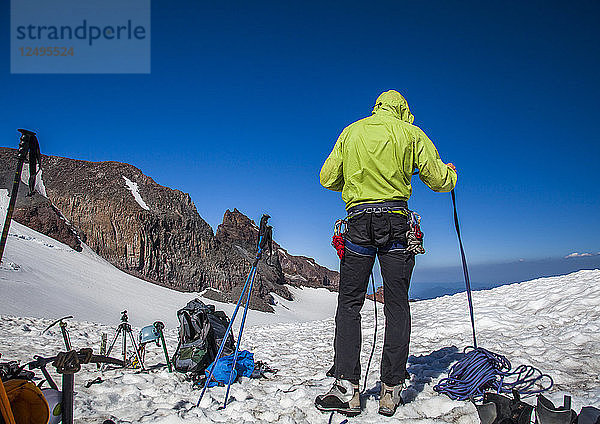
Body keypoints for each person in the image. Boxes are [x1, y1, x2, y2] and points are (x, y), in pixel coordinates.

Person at [315, 90, 457, 417]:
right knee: (397, 304)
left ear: (376, 107)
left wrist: (356, 178)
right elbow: (437, 179)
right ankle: (391, 391)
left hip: (358, 222)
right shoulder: (411, 133)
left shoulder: (351, 132)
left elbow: (327, 178)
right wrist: (450, 174)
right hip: (397, 222)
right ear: (403, 110)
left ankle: (347, 389)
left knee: (350, 303)